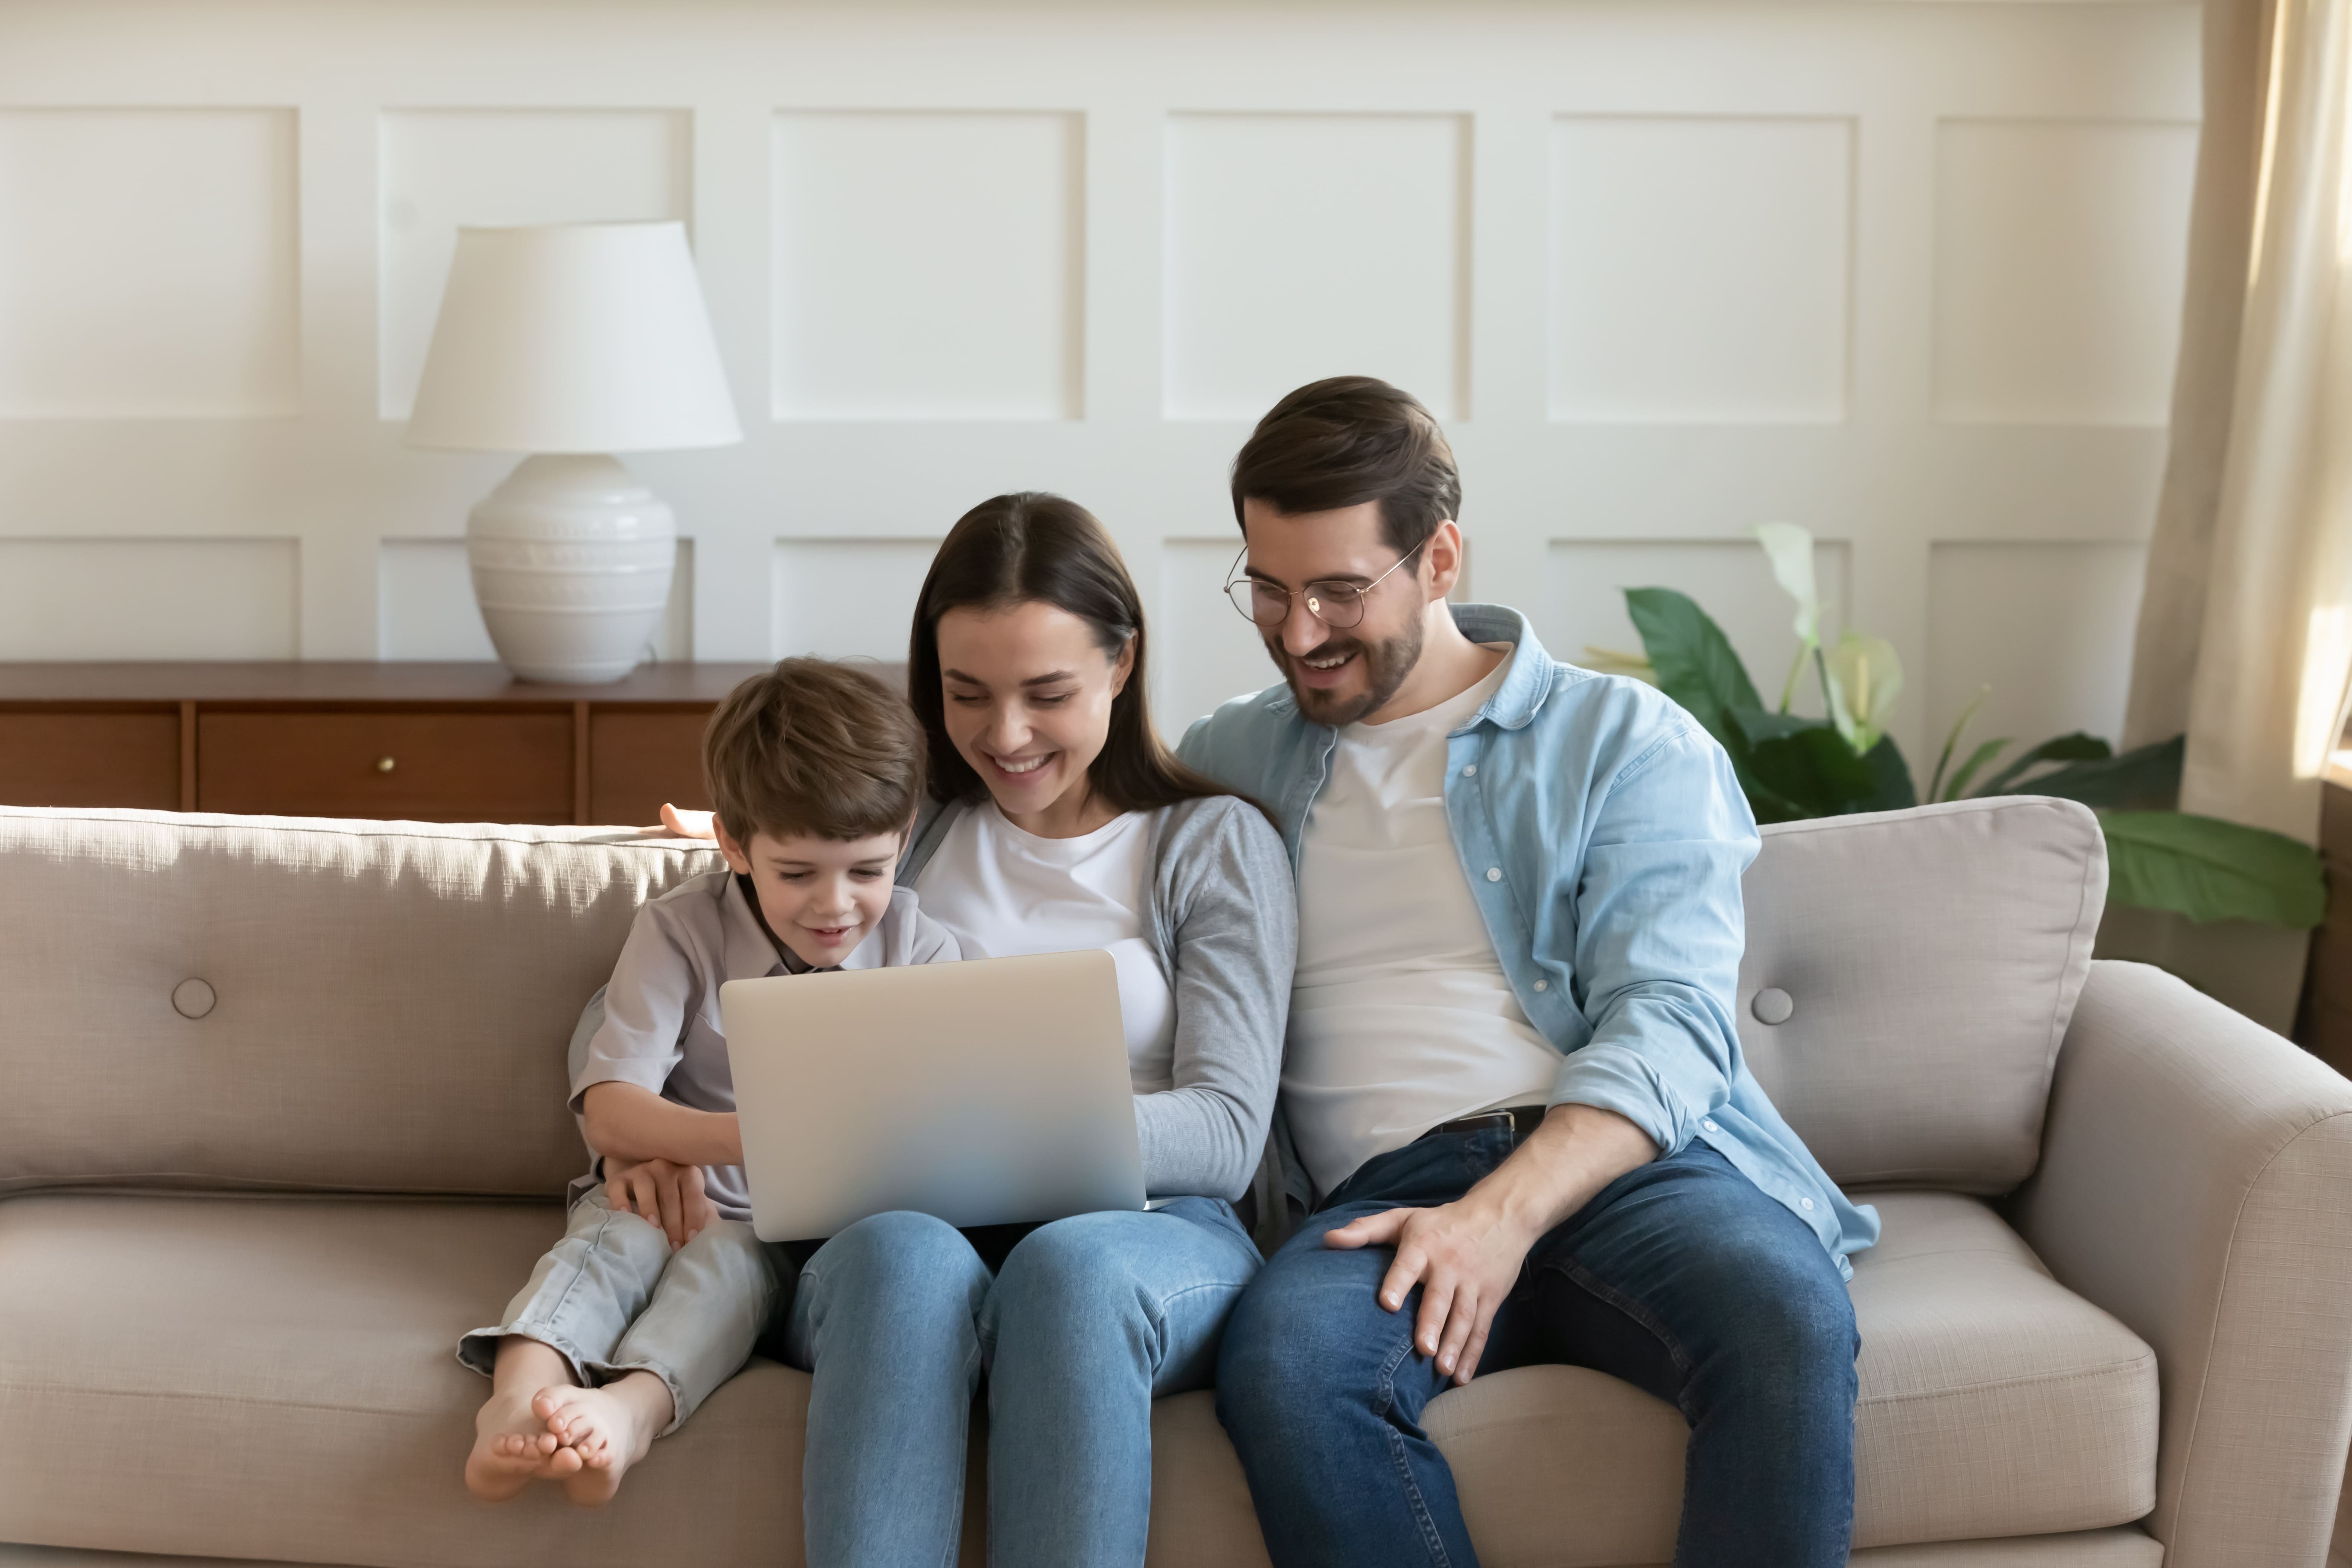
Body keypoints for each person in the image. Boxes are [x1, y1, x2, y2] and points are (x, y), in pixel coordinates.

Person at [1176, 377, 1880, 1568]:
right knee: (1289, 1365)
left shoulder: (1625, 739)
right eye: (1268, 588)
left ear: (1439, 556)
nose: (1299, 632)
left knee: (1785, 1313)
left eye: (1340, 590)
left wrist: (1495, 1218)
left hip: (1622, 1167)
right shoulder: (1225, 755)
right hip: (1374, 1200)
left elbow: (1670, 1021)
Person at [629, 491, 1298, 1568]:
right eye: (967, 694)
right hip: (896, 1224)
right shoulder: (904, 826)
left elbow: (1226, 1131)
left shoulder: (1212, 843)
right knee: (903, 1252)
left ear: (1122, 666)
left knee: (1069, 1272)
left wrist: (999, 1132)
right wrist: (639, 1132)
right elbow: (698, 940)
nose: (1006, 735)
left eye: (1048, 693)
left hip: (1146, 1230)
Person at [459, 657, 958, 1506]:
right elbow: (614, 1112)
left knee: (723, 1275)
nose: (835, 906)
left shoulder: (923, 950)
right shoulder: (681, 931)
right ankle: (516, 1396)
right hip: (664, 1190)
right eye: (797, 873)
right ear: (733, 843)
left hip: (786, 1240)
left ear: (905, 837)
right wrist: (739, 1142)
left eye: (868, 870)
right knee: (615, 1239)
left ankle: (628, 1413)